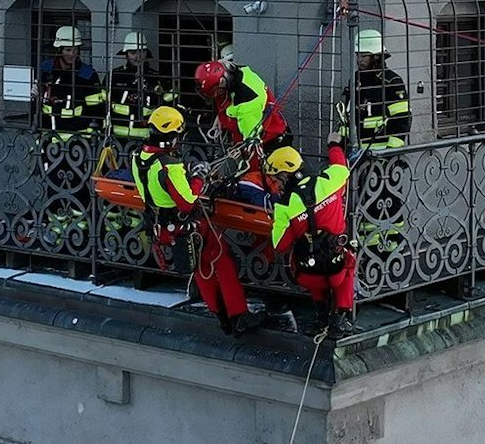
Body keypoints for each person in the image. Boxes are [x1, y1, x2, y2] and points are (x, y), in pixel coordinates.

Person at [131, 105, 261, 336]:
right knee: (222, 264)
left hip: (163, 225)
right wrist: (198, 177)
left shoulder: (139, 158)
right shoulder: (169, 166)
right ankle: (239, 316)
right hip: (188, 225)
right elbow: (187, 201)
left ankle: (222, 317)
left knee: (202, 270)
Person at [267, 143, 355, 337]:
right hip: (336, 269)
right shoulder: (328, 182)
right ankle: (341, 317)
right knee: (349, 260)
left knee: (304, 255)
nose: (276, 185)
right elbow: (341, 166)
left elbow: (279, 245)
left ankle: (322, 315)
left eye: (276, 179)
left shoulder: (284, 207)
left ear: (286, 175)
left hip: (307, 275)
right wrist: (334, 145)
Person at [36, 26, 105, 235]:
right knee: (53, 185)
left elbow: (98, 109)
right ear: (60, 49)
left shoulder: (88, 74)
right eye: (68, 49)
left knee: (80, 186)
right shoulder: (46, 69)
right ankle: (55, 228)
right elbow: (38, 105)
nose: (72, 53)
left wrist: (93, 133)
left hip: (79, 142)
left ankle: (80, 231)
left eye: (75, 49)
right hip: (51, 141)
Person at [338, 29, 412, 152]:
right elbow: (348, 114)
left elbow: (402, 121)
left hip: (382, 153)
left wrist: (390, 153)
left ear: (377, 56)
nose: (359, 60)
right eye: (358, 55)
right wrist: (341, 143)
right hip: (357, 152)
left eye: (364, 56)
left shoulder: (391, 81)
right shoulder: (356, 79)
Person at [105, 32, 174, 148]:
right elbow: (103, 107)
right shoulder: (114, 76)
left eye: (141, 52)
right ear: (126, 54)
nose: (138, 56)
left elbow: (169, 108)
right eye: (133, 53)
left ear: (147, 53)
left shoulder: (157, 78)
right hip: (118, 141)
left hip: (149, 141)